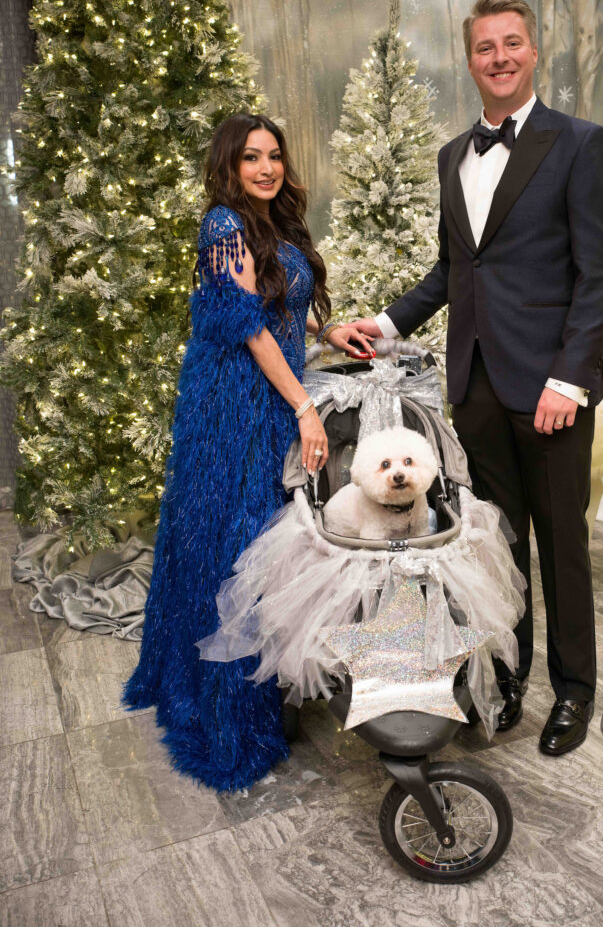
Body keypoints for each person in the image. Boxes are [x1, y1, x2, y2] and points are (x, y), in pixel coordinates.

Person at [351, 0, 603, 756]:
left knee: (562, 547)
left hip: (551, 392)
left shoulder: (581, 144)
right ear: (469, 59)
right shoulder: (451, 156)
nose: (499, 58)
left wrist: (569, 380)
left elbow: (597, 274)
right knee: (498, 550)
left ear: (534, 52)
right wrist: (385, 325)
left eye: (512, 44)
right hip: (474, 386)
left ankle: (573, 692)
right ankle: (508, 679)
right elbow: (452, 270)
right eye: (484, 48)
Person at [124, 113, 372, 791]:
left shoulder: (274, 224)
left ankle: (253, 681)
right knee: (228, 541)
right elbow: (250, 326)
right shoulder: (223, 226)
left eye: (272, 157)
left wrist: (329, 329)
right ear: (229, 166)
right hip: (230, 400)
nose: (264, 168)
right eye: (250, 159)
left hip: (265, 394)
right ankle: (221, 703)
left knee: (255, 537)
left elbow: (281, 306)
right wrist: (302, 407)